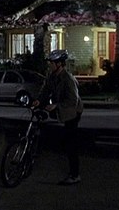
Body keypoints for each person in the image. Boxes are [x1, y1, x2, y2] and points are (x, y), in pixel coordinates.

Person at [33, 49, 83, 185]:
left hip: (72, 112)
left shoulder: (68, 79)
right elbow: (45, 90)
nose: (50, 65)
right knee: (64, 141)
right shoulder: (52, 76)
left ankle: (75, 175)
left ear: (59, 64)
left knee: (71, 144)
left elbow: (73, 100)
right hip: (63, 110)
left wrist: (56, 105)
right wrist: (38, 100)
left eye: (52, 63)